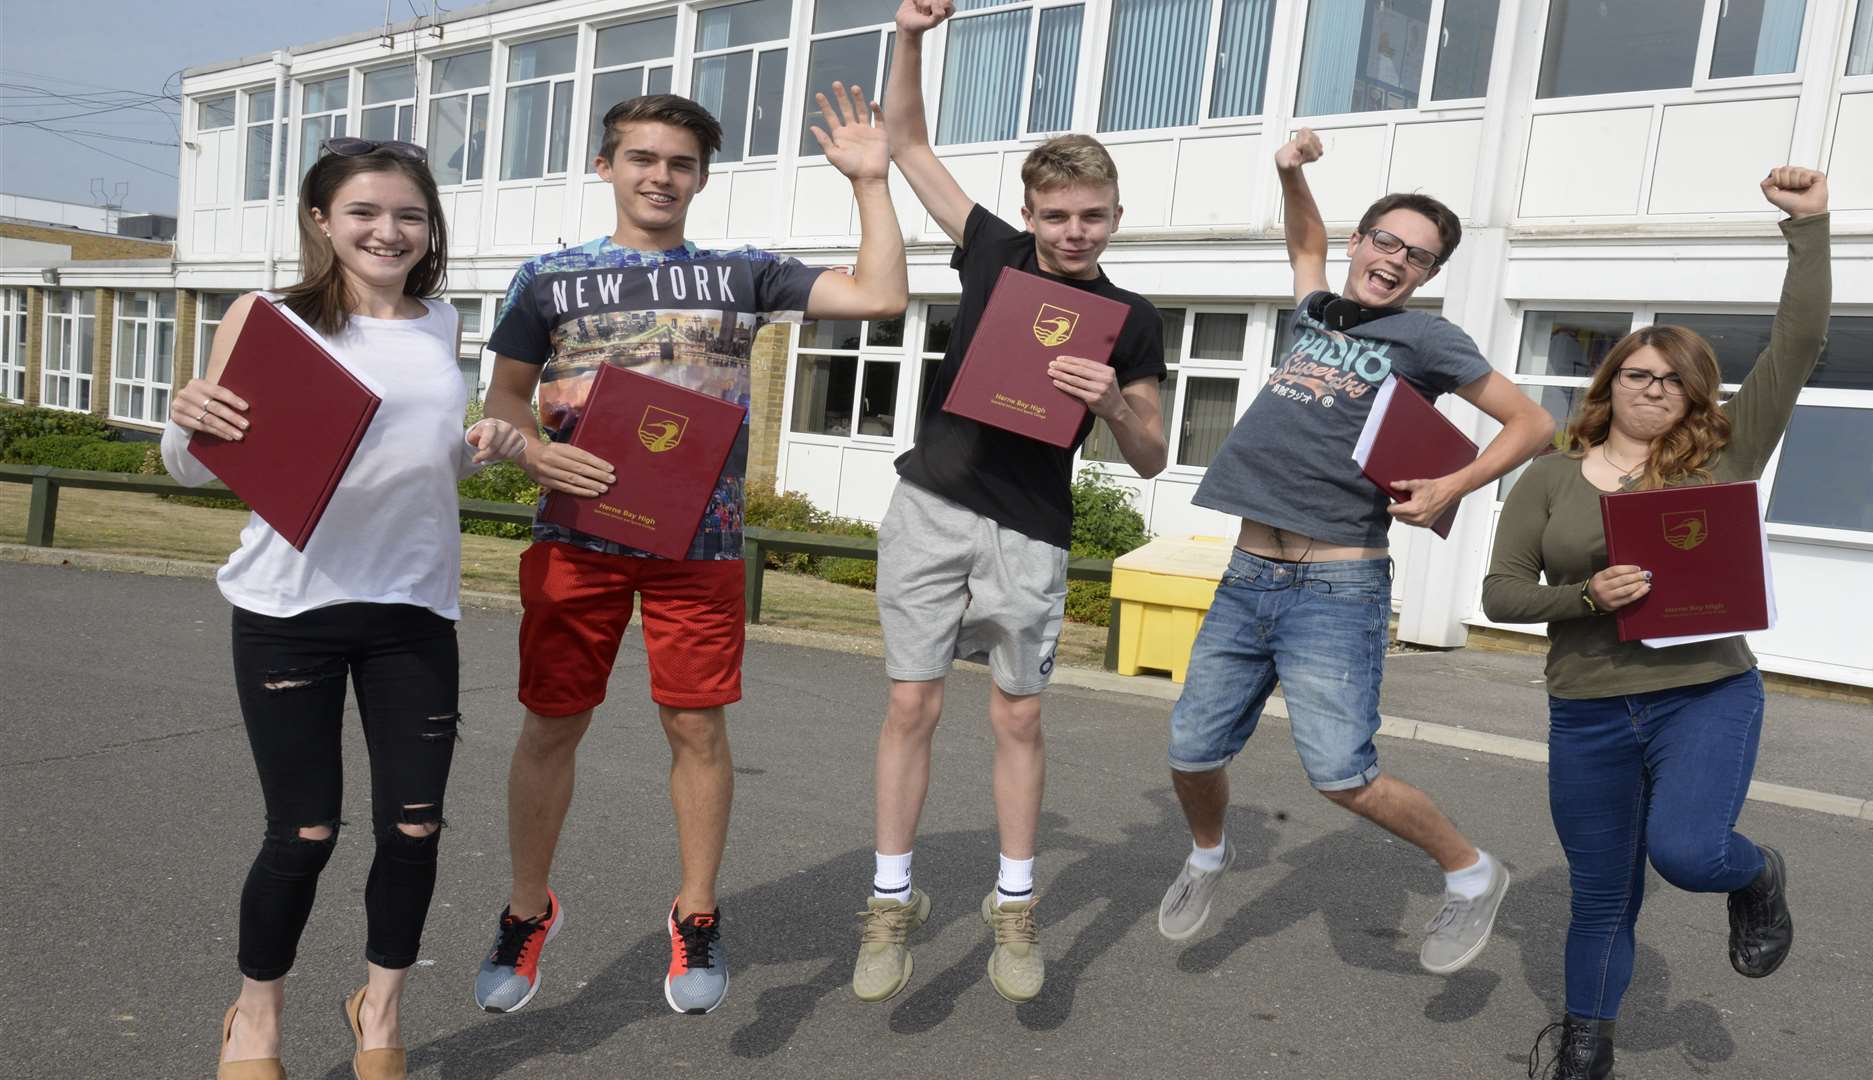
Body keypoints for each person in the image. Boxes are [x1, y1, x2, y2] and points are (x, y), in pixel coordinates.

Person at [471, 90, 906, 1017]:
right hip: (574, 540)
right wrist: (533, 448)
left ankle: (696, 911)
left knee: (698, 728)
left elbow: (882, 294)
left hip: (698, 546)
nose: (659, 176)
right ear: (606, 168)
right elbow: (505, 400)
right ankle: (524, 909)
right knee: (552, 723)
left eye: (678, 163)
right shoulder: (547, 278)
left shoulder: (741, 273)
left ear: (701, 177)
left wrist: (873, 180)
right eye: (641, 158)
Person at [162, 138, 526, 1080]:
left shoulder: (441, 321)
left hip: (413, 608)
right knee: (305, 832)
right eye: (364, 212)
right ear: (321, 220)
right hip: (291, 608)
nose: (388, 231)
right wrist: (188, 419)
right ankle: (255, 1021)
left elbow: (420, 461)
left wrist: (476, 444)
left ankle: (379, 1010)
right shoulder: (270, 319)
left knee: (415, 825)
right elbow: (196, 469)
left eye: (409, 214)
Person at [1154, 128, 1557, 973]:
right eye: (1385, 241)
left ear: (1427, 276)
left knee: (1341, 775)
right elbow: (1305, 240)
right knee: (1191, 749)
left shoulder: (1427, 342)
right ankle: (1207, 855)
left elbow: (1533, 422)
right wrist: (1287, 172)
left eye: (1417, 256)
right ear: (1361, 244)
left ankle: (1473, 872)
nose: (1396, 260)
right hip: (1247, 574)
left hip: (1336, 587)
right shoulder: (1315, 312)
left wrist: (1454, 486)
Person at [850, 0, 1170, 1006]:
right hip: (932, 505)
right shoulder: (989, 249)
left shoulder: (1130, 320)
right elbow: (905, 140)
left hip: (1030, 532)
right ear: (1030, 215)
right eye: (1057, 215)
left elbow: (1155, 457)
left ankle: (1014, 901)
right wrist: (908, 34)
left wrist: (1115, 403)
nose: (1074, 231)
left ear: (1115, 216)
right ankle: (891, 900)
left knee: (1018, 722)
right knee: (911, 701)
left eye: (1093, 215)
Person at [1483, 166, 1829, 1080]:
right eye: (1638, 373)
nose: (1654, 388)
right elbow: (1501, 593)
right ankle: (1584, 1052)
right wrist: (1586, 598)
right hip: (1589, 707)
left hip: (1703, 692)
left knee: (1689, 850)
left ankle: (1755, 875)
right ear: (1612, 380)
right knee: (1601, 898)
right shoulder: (1553, 473)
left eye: (1675, 380)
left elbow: (1798, 344)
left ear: (1696, 394)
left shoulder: (1723, 457)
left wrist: (1809, 229)